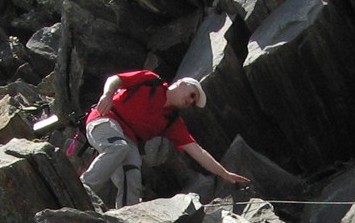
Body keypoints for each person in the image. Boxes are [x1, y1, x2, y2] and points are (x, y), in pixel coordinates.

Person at [79, 71, 250, 208]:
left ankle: (125, 220)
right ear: (182, 83)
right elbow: (115, 79)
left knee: (132, 174)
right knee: (118, 147)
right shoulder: (150, 80)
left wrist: (225, 174)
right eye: (192, 95)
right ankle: (82, 188)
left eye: (193, 102)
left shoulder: (172, 122)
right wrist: (107, 94)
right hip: (104, 119)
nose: (190, 101)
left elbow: (198, 151)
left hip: (128, 139)